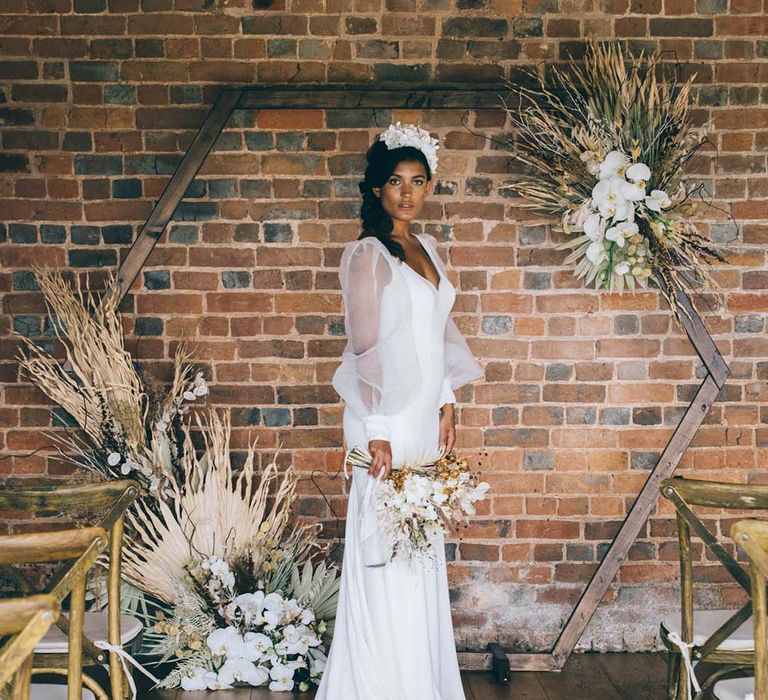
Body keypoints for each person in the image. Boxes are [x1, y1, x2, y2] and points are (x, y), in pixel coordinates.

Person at [315, 123, 483, 700]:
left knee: (419, 545)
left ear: (430, 184)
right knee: (385, 542)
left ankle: (422, 682)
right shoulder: (367, 255)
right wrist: (379, 430)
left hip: (422, 415)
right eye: (395, 181)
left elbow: (436, 333)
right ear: (378, 189)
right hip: (381, 416)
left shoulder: (427, 248)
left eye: (418, 181)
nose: (407, 193)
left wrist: (447, 401)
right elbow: (367, 349)